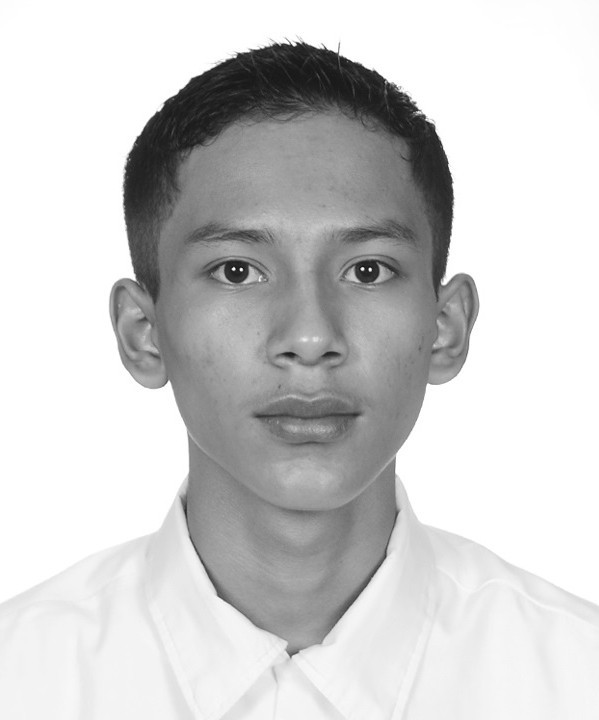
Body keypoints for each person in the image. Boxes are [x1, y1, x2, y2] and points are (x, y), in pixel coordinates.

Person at [0, 40, 597, 719]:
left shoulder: (579, 679)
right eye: (237, 271)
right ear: (143, 332)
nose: (310, 337)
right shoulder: (20, 680)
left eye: (367, 270)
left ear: (446, 326)